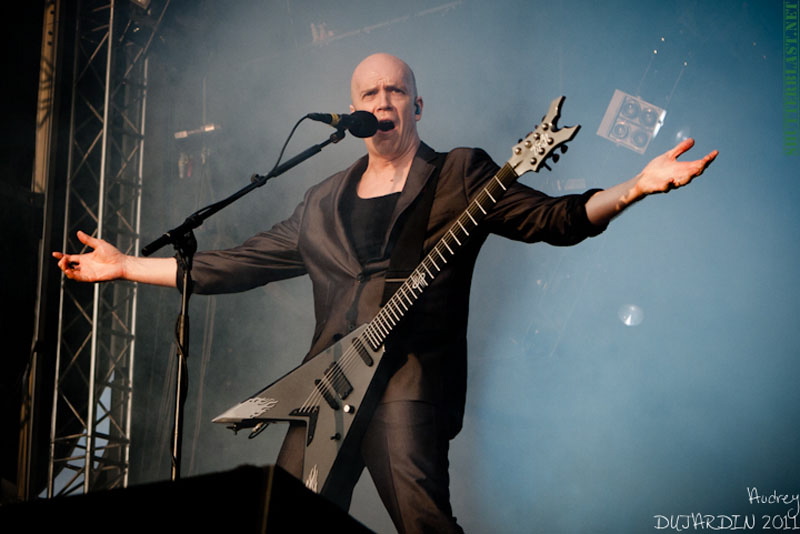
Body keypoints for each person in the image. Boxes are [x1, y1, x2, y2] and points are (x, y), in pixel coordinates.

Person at [54, 53, 718, 533]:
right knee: (279, 520)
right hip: (325, 393)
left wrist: (632, 188)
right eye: (369, 92)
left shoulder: (460, 173)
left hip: (407, 383)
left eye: (395, 90)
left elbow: (553, 220)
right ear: (352, 113)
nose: (382, 100)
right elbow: (235, 265)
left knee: (425, 525)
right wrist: (124, 268)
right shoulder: (319, 202)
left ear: (416, 105)